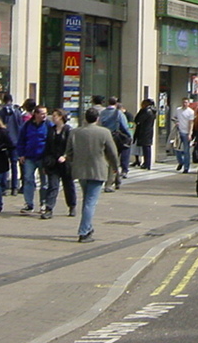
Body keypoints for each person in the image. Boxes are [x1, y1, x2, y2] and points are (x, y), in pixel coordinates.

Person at [65, 107, 120, 243]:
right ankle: (83, 232)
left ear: (85, 118)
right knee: (90, 202)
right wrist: (115, 168)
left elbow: (69, 153)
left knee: (87, 200)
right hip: (98, 170)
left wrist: (76, 161)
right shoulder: (104, 132)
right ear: (97, 118)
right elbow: (112, 153)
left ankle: (88, 228)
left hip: (80, 170)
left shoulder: (75, 132)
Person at [41, 109, 77, 219]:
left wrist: (65, 156)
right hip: (53, 163)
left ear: (61, 117)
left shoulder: (69, 130)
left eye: (55, 115)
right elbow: (47, 147)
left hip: (65, 163)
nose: (53, 117)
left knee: (68, 185)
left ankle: (72, 205)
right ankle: (49, 209)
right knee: (53, 185)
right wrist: (45, 162)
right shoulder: (51, 130)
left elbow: (72, 147)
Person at [15, 105, 50, 215]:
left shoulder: (49, 125)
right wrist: (21, 154)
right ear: (36, 114)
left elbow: (52, 140)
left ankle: (43, 203)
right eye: (42, 113)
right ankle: (29, 204)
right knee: (28, 179)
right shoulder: (27, 126)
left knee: (44, 182)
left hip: (43, 157)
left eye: (45, 113)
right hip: (29, 157)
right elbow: (21, 140)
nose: (44, 116)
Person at [98, 98, 131, 191]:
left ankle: (116, 180)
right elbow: (125, 126)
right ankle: (110, 183)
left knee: (108, 160)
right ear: (116, 103)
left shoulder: (102, 113)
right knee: (114, 160)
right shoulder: (119, 113)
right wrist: (129, 136)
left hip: (103, 137)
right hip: (115, 139)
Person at [0, 92, 24, 195]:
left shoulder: (2, 112)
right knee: (14, 165)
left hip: (5, 142)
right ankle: (14, 187)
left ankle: (3, 187)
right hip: (15, 141)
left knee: (4, 165)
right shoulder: (17, 112)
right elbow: (20, 127)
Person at [132, 98, 156, 170]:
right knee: (146, 147)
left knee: (146, 147)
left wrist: (141, 111)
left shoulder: (146, 111)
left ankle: (146, 164)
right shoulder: (152, 111)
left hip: (144, 131)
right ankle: (146, 163)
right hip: (148, 131)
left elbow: (138, 120)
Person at [173, 97, 194, 174]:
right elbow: (174, 118)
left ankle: (186, 167)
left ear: (188, 103)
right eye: (183, 102)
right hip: (179, 131)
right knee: (177, 148)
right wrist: (176, 122)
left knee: (186, 150)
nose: (184, 104)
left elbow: (191, 123)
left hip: (186, 132)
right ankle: (180, 162)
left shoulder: (190, 112)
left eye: (186, 102)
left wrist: (190, 133)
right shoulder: (178, 110)